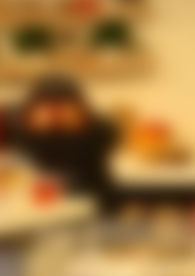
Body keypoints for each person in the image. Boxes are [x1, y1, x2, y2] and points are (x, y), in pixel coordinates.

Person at [13, 74, 119, 212]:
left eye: (62, 106)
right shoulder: (22, 134)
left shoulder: (98, 131)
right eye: (49, 107)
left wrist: (77, 127)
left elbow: (97, 175)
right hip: (39, 206)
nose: (56, 114)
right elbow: (25, 172)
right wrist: (37, 130)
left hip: (90, 202)